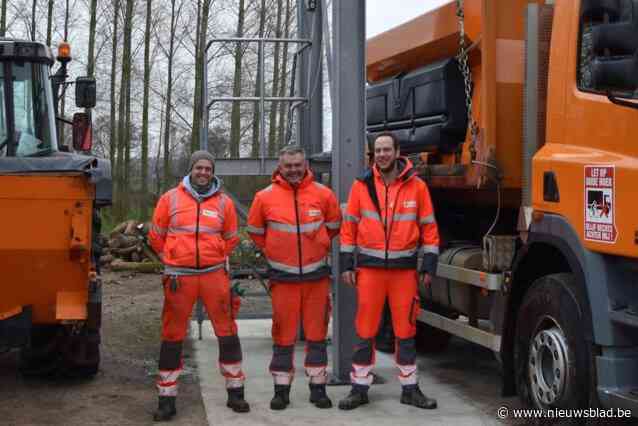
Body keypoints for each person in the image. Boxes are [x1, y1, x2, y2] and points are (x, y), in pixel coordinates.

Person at [338, 132, 440, 410]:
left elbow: (429, 228)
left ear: (397, 152)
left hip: (403, 273)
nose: (382, 154)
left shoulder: (417, 186)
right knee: (365, 330)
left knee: (405, 330)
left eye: (386, 149)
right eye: (378, 150)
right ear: (374, 154)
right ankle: (359, 388)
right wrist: (347, 264)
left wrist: (429, 265)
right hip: (370, 271)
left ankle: (410, 388)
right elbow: (349, 228)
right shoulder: (361, 186)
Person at [149, 150, 249, 421]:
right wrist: (171, 259)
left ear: (212, 172)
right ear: (190, 170)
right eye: (199, 168)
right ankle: (167, 399)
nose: (203, 173)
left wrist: (214, 255)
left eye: (208, 168)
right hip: (179, 278)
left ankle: (236, 391)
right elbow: (156, 238)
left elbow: (230, 238)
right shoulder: (169, 199)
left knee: (227, 330)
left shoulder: (224, 203)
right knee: (172, 335)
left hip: (214, 275)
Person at [247, 145, 341, 410]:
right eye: (288, 166)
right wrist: (274, 249)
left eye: (298, 165)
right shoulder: (264, 197)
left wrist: (319, 241)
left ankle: (318, 388)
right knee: (283, 335)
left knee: (317, 334)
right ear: (280, 166)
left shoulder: (324, 195)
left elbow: (334, 225)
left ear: (305, 165)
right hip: (283, 279)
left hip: (316, 278)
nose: (293, 170)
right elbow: (255, 231)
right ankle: (281, 390)